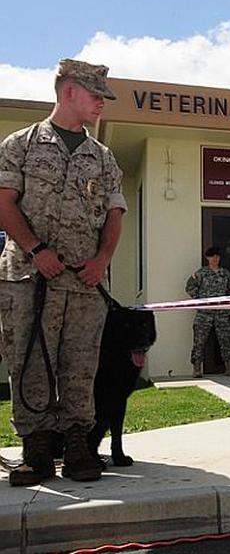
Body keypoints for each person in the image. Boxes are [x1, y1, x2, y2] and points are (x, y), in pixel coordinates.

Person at [0, 59, 127, 485]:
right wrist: (36, 250)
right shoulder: (21, 144)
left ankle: (77, 445)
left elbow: (114, 213)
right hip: (29, 278)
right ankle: (36, 450)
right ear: (69, 90)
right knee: (28, 361)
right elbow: (4, 203)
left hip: (85, 284)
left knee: (82, 364)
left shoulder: (103, 157)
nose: (101, 104)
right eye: (96, 95)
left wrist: (102, 260)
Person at [185, 246, 230, 378]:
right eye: (212, 256)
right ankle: (197, 369)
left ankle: (229, 367)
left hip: (221, 313)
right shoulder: (201, 273)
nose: (215, 259)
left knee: (225, 340)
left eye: (217, 256)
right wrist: (200, 300)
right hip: (204, 313)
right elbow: (189, 287)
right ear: (207, 258)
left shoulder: (224, 273)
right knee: (199, 340)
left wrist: (227, 302)